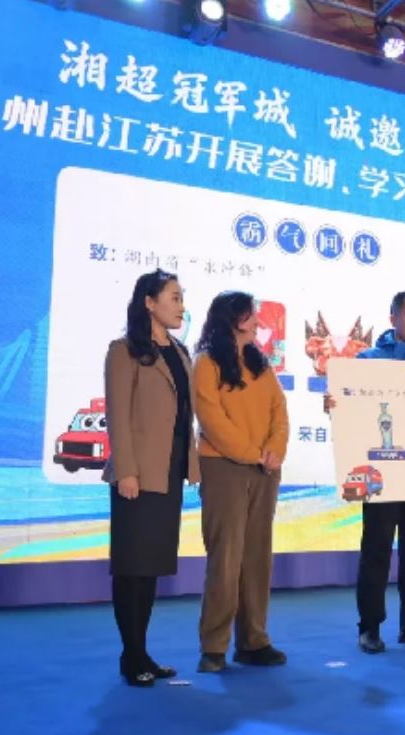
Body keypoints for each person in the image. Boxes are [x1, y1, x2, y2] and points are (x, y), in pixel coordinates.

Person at [326, 291, 405, 654]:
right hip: (379, 472)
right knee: (377, 550)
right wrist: (334, 405)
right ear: (393, 318)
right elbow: (347, 411)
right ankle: (369, 627)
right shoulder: (367, 361)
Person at [103, 270, 200, 687]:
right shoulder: (123, 350)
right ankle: (131, 656)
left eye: (181, 298)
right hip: (137, 474)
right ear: (149, 301)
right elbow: (118, 415)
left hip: (169, 471)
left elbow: (185, 416)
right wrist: (126, 470)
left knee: (151, 567)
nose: (181, 306)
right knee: (132, 567)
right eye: (174, 297)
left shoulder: (180, 351)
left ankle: (142, 652)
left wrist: (191, 465)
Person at [193, 291, 289, 673]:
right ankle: (214, 647)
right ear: (231, 319)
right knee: (226, 558)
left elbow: (279, 412)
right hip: (223, 468)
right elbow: (212, 420)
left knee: (257, 558)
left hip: (265, 470)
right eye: (250, 315)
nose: (257, 321)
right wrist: (253, 453)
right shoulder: (206, 363)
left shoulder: (260, 364)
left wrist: (274, 451)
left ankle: (254, 641)